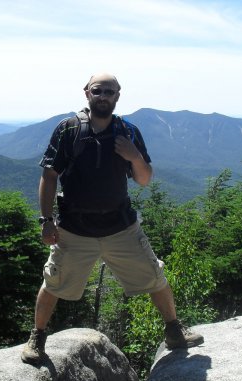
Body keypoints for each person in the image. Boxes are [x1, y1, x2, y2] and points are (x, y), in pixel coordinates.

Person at [21, 72, 203, 365]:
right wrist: (46, 221)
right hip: (75, 229)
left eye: (109, 91)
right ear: (87, 93)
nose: (103, 96)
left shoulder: (128, 132)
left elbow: (144, 179)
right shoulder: (68, 130)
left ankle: (173, 329)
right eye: (98, 90)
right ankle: (37, 337)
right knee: (53, 282)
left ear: (118, 96)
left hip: (121, 227)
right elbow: (49, 175)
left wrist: (134, 156)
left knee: (155, 277)